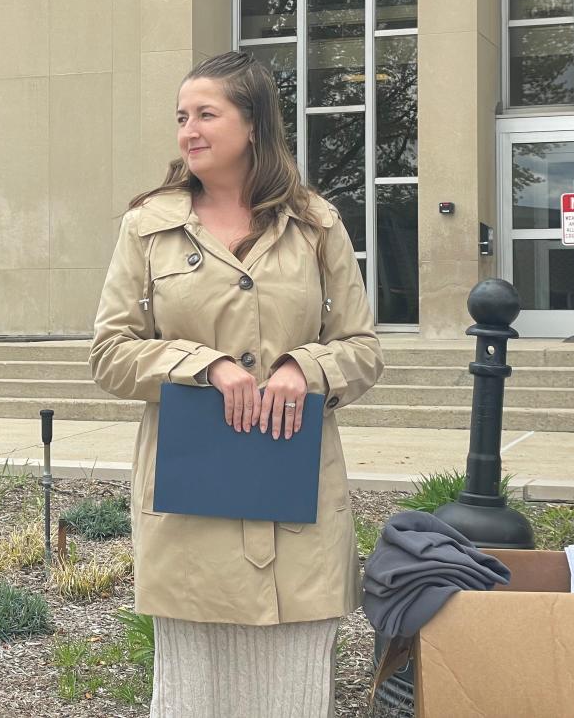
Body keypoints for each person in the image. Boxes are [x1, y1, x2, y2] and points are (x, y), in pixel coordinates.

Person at [89, 51, 383, 717]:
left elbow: (364, 351)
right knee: (196, 696)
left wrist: (304, 369)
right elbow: (109, 353)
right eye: (181, 117)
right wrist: (202, 364)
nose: (188, 130)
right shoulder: (148, 228)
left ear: (252, 124)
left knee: (293, 695)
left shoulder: (316, 224)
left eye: (205, 114)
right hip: (193, 509)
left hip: (296, 505)